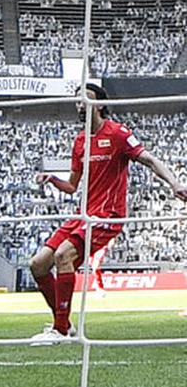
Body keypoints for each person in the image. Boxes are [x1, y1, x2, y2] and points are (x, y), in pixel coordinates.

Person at [28, 83, 187, 346]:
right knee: (38, 265)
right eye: (77, 101)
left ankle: (59, 330)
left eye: (85, 99)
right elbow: (72, 187)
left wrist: (175, 183)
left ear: (100, 104)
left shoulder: (118, 134)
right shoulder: (80, 142)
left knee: (62, 255)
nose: (80, 105)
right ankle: (64, 324)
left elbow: (150, 160)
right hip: (83, 214)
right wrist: (53, 179)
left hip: (107, 214)